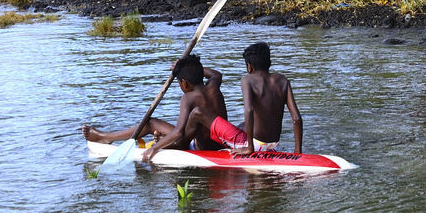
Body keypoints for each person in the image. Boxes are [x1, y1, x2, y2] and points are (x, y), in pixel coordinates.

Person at [82, 55, 241, 156]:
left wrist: (154, 149)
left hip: (200, 147)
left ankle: (105, 137)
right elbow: (216, 74)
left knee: (151, 123)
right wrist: (184, 67)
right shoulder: (214, 87)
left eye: (180, 82)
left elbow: (179, 133)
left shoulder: (189, 98)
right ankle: (162, 139)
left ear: (184, 83)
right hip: (221, 143)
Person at [240, 41, 303, 154]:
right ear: (269, 62)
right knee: (241, 125)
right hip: (274, 145)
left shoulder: (247, 80)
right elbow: (296, 118)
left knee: (202, 114)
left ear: (249, 67)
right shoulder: (283, 80)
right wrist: (297, 151)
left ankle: (200, 149)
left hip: (255, 145)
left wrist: (250, 148)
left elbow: (249, 110)